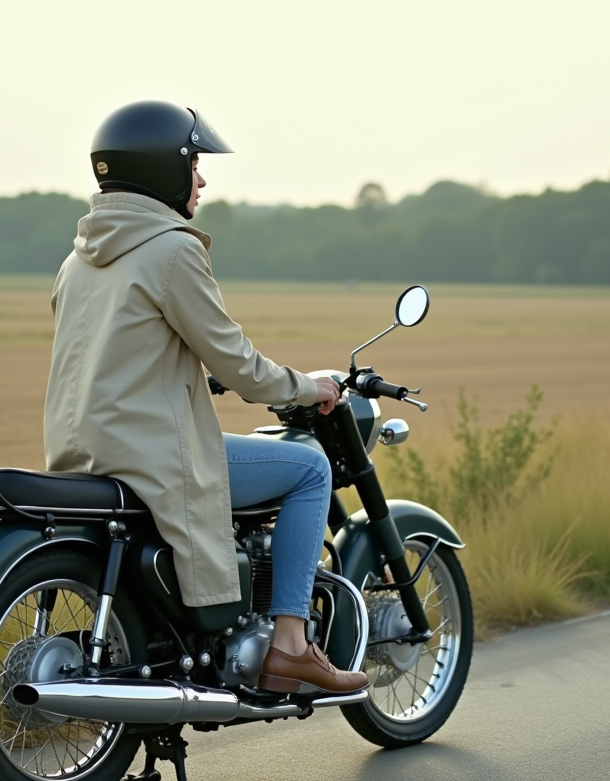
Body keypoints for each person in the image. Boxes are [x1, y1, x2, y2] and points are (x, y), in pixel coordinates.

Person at [43, 100, 367, 694]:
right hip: (152, 456)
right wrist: (307, 385)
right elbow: (239, 365)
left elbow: (117, 354)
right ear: (164, 168)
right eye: (194, 162)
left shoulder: (77, 260)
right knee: (310, 469)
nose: (202, 177)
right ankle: (292, 647)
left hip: (83, 451)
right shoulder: (172, 249)